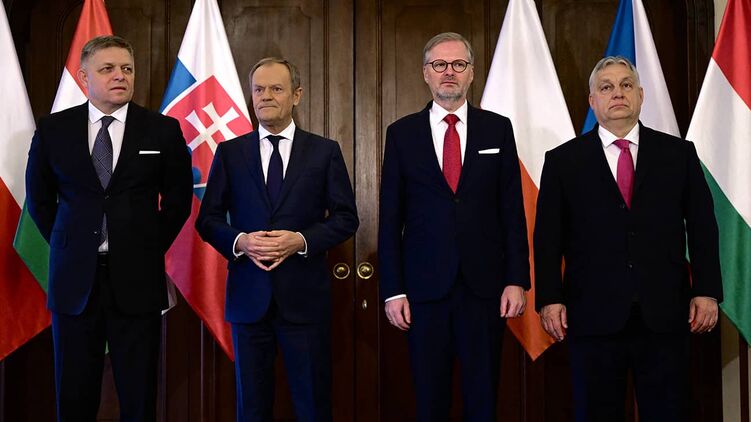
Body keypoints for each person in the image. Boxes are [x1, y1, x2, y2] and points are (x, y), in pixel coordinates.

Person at [534, 56, 722, 421]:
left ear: (641, 95)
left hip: (665, 314)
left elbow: (702, 226)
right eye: (606, 87)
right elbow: (547, 237)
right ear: (592, 100)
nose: (617, 93)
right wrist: (549, 298)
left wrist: (707, 290)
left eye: (625, 85)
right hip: (592, 316)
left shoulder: (678, 154)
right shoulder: (563, 161)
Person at [25, 35, 193, 421]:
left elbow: (178, 203)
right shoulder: (53, 130)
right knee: (74, 396)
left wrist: (144, 247)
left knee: (139, 397)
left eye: (127, 69)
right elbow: (40, 202)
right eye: (108, 69)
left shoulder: (162, 130)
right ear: (84, 77)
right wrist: (73, 246)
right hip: (74, 283)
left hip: (137, 283)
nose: (120, 76)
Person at [196, 57, 358, 422]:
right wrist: (241, 241)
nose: (265, 96)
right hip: (248, 301)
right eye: (258, 89)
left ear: (296, 95)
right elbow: (208, 220)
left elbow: (347, 218)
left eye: (276, 88)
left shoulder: (324, 151)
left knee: (312, 406)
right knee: (252, 408)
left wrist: (300, 240)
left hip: (304, 301)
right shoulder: (230, 152)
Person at [378, 32, 529, 421]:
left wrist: (517, 279)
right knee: (430, 400)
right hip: (424, 291)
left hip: (484, 289)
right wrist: (393, 290)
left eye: (458, 64)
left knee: (483, 399)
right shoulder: (401, 134)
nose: (449, 72)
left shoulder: (497, 129)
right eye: (440, 65)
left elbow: (512, 210)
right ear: (425, 73)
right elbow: (391, 218)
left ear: (471, 73)